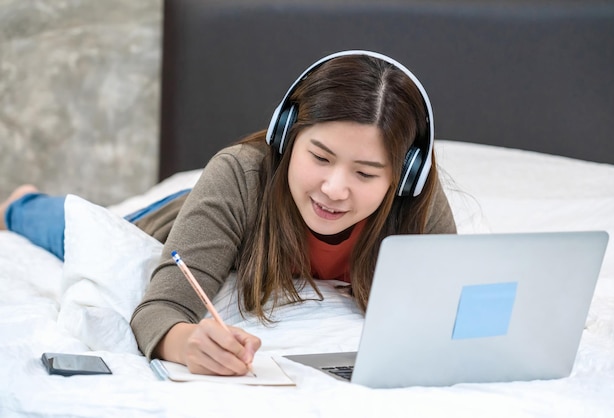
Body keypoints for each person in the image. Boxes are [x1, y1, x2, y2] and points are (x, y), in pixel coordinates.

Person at [1, 50, 456, 377]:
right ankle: (21, 202)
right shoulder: (239, 175)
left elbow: (455, 316)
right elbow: (161, 308)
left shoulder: (416, 205)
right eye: (319, 157)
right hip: (173, 217)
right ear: (286, 136)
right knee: (77, 228)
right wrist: (186, 343)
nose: (334, 189)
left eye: (365, 173)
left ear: (404, 178)